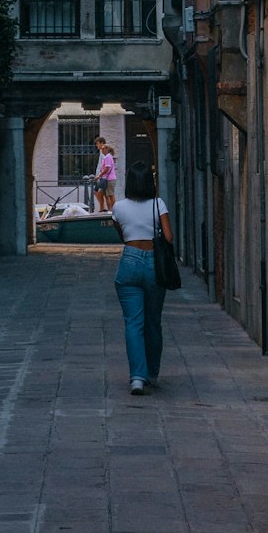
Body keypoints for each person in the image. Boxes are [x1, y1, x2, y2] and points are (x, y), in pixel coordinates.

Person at [111, 160, 172, 394]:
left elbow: (122, 235)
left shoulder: (119, 207)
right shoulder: (158, 204)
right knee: (153, 321)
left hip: (129, 261)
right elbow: (168, 237)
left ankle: (137, 377)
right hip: (153, 263)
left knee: (133, 323)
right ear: (150, 182)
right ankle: (153, 374)